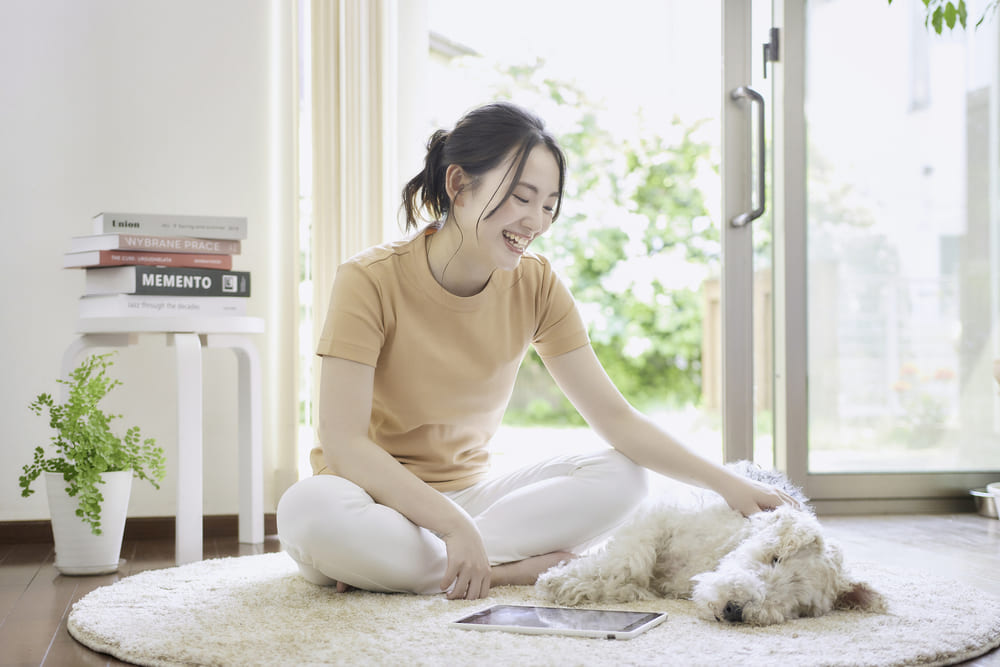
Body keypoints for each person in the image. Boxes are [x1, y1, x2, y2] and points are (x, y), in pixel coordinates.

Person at [276, 101, 799, 602]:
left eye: (549, 205)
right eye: (522, 198)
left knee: (622, 475)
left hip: (473, 498)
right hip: (371, 499)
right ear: (459, 185)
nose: (537, 221)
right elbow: (342, 442)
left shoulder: (537, 285)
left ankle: (407, 570)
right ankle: (488, 567)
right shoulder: (368, 280)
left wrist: (728, 484)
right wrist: (451, 526)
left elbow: (615, 418)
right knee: (307, 510)